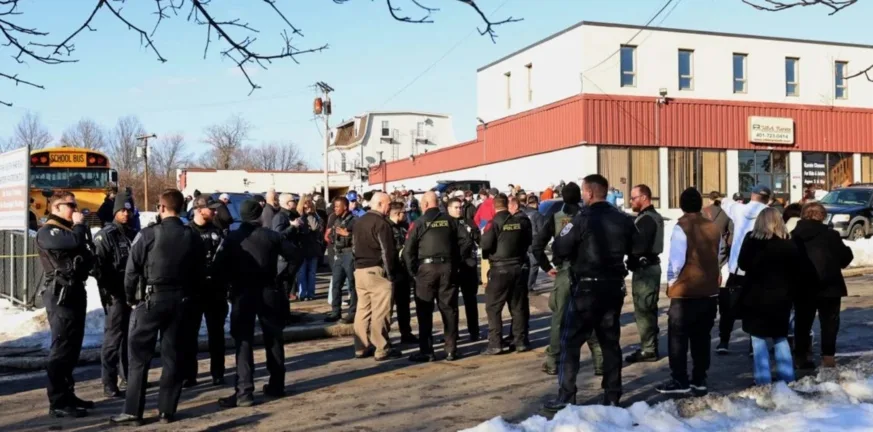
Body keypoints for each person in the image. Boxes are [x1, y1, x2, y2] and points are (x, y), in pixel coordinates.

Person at [110, 189, 206, 426]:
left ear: (161, 208)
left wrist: (131, 298)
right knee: (173, 356)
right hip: (181, 301)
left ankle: (133, 412)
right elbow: (200, 271)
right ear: (181, 208)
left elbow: (132, 270)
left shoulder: (148, 234)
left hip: (151, 300)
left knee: (138, 358)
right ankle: (167, 411)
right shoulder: (192, 236)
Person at [544, 174, 634, 412]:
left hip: (586, 289)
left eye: (584, 192)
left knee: (570, 342)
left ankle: (566, 396)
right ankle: (612, 395)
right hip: (613, 288)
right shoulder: (622, 219)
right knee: (610, 343)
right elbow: (637, 247)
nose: (583, 196)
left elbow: (560, 247)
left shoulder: (581, 219)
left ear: (590, 193)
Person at [216, 200, 297, 408]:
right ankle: (277, 384)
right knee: (273, 338)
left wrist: (228, 284)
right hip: (268, 289)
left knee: (243, 341)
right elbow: (295, 256)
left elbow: (219, 267)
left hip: (243, 292)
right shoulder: (271, 236)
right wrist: (283, 277)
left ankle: (244, 391)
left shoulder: (233, 238)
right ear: (260, 215)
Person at [533, 182, 603, 377]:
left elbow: (537, 246)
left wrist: (547, 267)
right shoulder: (588, 216)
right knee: (590, 316)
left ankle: (553, 361)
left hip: (564, 272)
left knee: (559, 319)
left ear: (562, 197)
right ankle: (600, 361)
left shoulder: (555, 218)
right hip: (587, 273)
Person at [656, 188, 720, 396]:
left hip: (686, 291)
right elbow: (717, 254)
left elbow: (676, 261)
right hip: (709, 291)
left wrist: (671, 283)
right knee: (702, 338)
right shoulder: (713, 226)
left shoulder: (682, 227)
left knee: (678, 338)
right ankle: (700, 378)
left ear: (682, 205)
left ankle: (679, 378)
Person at [36, 192, 94, 419]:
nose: (75, 209)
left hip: (74, 291)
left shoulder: (68, 230)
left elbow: (84, 252)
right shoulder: (48, 231)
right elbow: (74, 242)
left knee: (72, 348)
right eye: (70, 205)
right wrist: (79, 226)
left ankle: (68, 394)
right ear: (57, 208)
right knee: (61, 348)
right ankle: (57, 401)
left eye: (75, 205)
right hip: (60, 294)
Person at [736, 207, 802, 386]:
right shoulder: (789, 242)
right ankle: (787, 379)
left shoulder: (751, 240)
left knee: (758, 340)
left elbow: (742, 264)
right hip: (781, 297)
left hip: (755, 297)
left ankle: (763, 381)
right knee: (780, 337)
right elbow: (797, 270)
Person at [791, 202, 853, 369]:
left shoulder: (794, 235)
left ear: (803, 215)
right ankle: (828, 357)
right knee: (830, 323)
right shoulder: (831, 235)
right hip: (830, 286)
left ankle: (801, 356)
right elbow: (845, 258)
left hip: (803, 287)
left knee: (802, 322)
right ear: (823, 216)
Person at [406, 192, 466, 362]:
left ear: (425, 204)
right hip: (447, 268)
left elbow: (408, 251)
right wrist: (455, 262)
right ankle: (451, 349)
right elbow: (466, 241)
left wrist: (413, 272)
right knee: (449, 309)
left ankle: (427, 351)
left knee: (424, 311)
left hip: (426, 269)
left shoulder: (419, 223)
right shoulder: (450, 221)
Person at [347, 192, 403, 361]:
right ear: (379, 204)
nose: (389, 207)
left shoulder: (359, 222)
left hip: (360, 270)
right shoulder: (381, 223)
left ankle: (361, 346)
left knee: (363, 310)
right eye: (388, 204)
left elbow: (354, 247)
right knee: (381, 311)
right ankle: (381, 347)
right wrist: (391, 274)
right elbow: (387, 251)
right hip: (376, 270)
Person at [716, 184, 770, 354]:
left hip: (737, 269)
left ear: (752, 195)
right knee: (755, 308)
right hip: (759, 270)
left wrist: (721, 198)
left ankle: (723, 342)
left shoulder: (739, 210)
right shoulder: (769, 214)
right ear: (768, 199)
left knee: (729, 308)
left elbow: (726, 203)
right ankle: (753, 345)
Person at [92, 189, 136, 399]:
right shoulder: (105, 236)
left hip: (131, 294)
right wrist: (110, 290)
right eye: (122, 210)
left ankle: (127, 376)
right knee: (113, 339)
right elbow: (98, 268)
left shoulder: (133, 234)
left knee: (129, 336)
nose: (125, 214)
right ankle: (108, 382)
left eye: (128, 210)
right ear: (115, 212)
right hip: (115, 295)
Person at [480, 193, 533, 355]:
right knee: (518, 307)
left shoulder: (493, 223)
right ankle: (520, 341)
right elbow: (527, 242)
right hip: (517, 267)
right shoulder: (519, 222)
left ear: (494, 206)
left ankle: (495, 343)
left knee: (493, 307)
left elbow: (485, 245)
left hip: (500, 269)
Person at [184, 195, 228, 388]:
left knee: (216, 335)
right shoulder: (187, 232)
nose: (215, 211)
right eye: (211, 208)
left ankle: (218, 373)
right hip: (194, 291)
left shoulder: (217, 232)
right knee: (189, 335)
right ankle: (189, 375)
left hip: (215, 292)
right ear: (199, 209)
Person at [625, 184, 664, 364]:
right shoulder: (649, 217)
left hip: (645, 270)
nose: (631, 201)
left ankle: (648, 349)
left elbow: (639, 247)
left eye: (633, 198)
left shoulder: (647, 219)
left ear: (643, 198)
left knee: (644, 310)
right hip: (648, 268)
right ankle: (649, 345)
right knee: (648, 309)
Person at [447, 197, 482, 342]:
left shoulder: (468, 222)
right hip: (452, 266)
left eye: (460, 207)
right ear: (449, 208)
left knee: (470, 300)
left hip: (468, 265)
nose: (459, 210)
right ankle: (452, 333)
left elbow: (479, 239)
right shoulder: (446, 223)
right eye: (456, 207)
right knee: (451, 303)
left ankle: (474, 331)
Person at [388, 201, 418, 344]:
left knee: (404, 305)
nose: (406, 215)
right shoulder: (387, 227)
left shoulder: (405, 226)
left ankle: (406, 333)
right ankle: (384, 337)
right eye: (404, 212)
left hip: (404, 271)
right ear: (397, 213)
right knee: (387, 307)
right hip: (392, 271)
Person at [325, 196, 358, 323]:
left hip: (349, 254)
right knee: (336, 284)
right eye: (335, 206)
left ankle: (353, 313)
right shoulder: (336, 219)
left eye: (338, 206)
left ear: (345, 207)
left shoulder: (354, 220)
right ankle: (335, 312)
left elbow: (360, 237)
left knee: (352, 285)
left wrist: (347, 234)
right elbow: (331, 236)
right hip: (338, 254)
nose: (335, 209)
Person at [273, 193, 305, 301]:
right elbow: (278, 236)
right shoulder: (280, 216)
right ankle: (282, 309)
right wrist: (292, 227)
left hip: (293, 256)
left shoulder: (291, 215)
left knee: (288, 285)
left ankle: (285, 308)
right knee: (283, 286)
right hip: (285, 259)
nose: (295, 203)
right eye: (293, 201)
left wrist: (300, 226)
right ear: (287, 203)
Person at [296, 195, 324, 301]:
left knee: (312, 272)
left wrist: (310, 215)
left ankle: (311, 293)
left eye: (309, 202)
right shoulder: (298, 215)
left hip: (313, 247)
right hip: (301, 247)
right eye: (305, 202)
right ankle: (302, 294)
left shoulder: (315, 215)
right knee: (302, 272)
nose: (307, 205)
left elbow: (315, 227)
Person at [703, 191, 732, 271]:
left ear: (709, 199)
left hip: (705, 246)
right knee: (717, 271)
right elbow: (731, 231)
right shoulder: (726, 212)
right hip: (720, 247)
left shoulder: (703, 211)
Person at [522, 195, 544, 291]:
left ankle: (523, 284)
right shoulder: (537, 215)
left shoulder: (523, 213)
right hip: (534, 241)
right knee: (534, 264)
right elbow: (541, 231)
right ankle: (529, 286)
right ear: (535, 203)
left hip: (523, 242)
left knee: (525, 264)